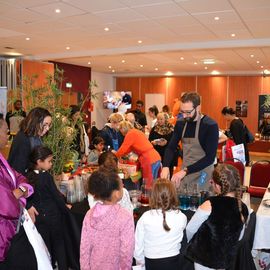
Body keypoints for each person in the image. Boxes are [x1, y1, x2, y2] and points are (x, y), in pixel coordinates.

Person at [185, 164, 249, 270]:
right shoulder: (243, 207)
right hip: (225, 260)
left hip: (204, 259)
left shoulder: (209, 204)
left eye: (212, 182)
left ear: (218, 186)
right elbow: (240, 236)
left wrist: (191, 242)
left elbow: (190, 229)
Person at [161, 92, 219, 193]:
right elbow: (171, 147)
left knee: (199, 201)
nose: (184, 116)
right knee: (182, 199)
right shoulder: (180, 124)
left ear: (198, 108)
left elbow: (210, 158)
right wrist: (165, 166)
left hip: (203, 172)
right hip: (186, 171)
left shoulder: (210, 125)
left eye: (188, 112)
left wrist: (185, 171)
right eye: (182, 112)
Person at [26, 145, 70, 270]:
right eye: (49, 161)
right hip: (53, 216)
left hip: (39, 218)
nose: (51, 164)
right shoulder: (46, 177)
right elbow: (56, 196)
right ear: (39, 162)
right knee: (59, 244)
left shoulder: (27, 176)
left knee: (45, 246)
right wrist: (66, 210)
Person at [80, 170, 135, 270]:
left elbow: (84, 248)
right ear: (116, 193)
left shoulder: (89, 214)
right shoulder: (125, 217)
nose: (123, 185)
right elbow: (127, 252)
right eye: (121, 185)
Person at [0, 119, 33, 266]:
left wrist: (19, 190)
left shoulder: (2, 159)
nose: (8, 136)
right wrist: (16, 196)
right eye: (6, 132)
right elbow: (7, 206)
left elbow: (19, 177)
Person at [134, 178, 187, 270]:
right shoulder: (182, 217)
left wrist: (141, 265)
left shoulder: (145, 217)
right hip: (174, 262)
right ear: (173, 195)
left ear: (153, 196)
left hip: (151, 262)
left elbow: (138, 248)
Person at [115, 121, 161, 188]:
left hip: (148, 159)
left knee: (148, 184)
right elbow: (129, 149)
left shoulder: (130, 134)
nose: (120, 133)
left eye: (120, 130)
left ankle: (149, 198)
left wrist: (114, 156)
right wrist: (121, 155)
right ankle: (153, 197)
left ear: (123, 129)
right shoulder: (136, 132)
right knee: (153, 184)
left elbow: (123, 148)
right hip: (155, 157)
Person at [8, 107, 52, 175]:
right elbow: (18, 169)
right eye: (45, 124)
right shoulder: (23, 139)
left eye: (49, 125)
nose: (48, 128)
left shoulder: (35, 137)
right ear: (35, 122)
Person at [149, 112, 178, 177]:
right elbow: (149, 140)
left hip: (168, 153)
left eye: (161, 119)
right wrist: (153, 142)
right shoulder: (154, 129)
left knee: (168, 172)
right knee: (158, 173)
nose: (159, 121)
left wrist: (166, 143)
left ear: (165, 119)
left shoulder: (171, 128)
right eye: (158, 119)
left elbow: (175, 142)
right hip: (157, 154)